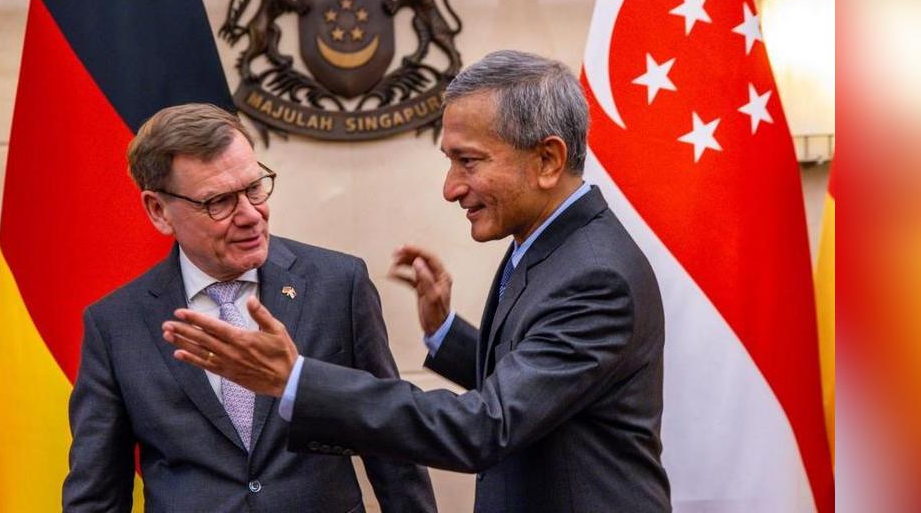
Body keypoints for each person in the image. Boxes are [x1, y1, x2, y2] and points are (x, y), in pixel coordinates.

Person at [163, 51, 672, 512]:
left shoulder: (594, 276)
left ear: (547, 160)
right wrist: (446, 333)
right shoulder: (548, 243)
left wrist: (296, 379)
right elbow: (536, 386)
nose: (451, 188)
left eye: (468, 161)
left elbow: (485, 427)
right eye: (450, 161)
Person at [63, 104, 436, 513]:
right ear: (159, 210)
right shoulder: (116, 325)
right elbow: (97, 494)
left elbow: (392, 447)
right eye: (219, 201)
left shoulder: (337, 285)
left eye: (254, 187)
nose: (250, 215)